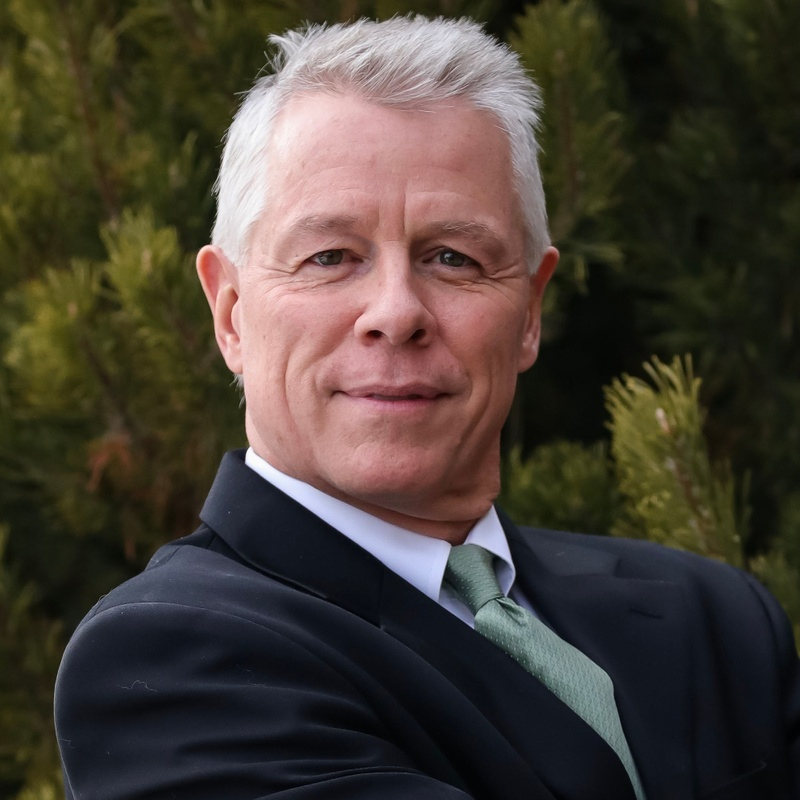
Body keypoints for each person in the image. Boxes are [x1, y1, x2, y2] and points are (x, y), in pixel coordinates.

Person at [54, 16, 799, 800]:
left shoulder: (719, 624)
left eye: (453, 257)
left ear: (531, 311)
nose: (396, 311)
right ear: (231, 313)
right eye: (331, 257)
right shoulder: (166, 665)